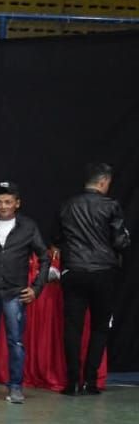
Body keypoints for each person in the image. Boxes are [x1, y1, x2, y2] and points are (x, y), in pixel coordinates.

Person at [0, 181, 49, 404]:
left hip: (15, 293)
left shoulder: (28, 226)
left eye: (8, 202)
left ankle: (15, 388)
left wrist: (36, 288)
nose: (3, 206)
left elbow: (44, 258)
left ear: (17, 203)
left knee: (15, 342)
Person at [56, 162, 131, 396]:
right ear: (103, 182)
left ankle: (72, 382)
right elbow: (120, 241)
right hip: (103, 273)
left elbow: (56, 238)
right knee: (100, 328)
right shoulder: (111, 206)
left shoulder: (67, 205)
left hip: (74, 271)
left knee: (73, 328)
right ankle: (90, 381)